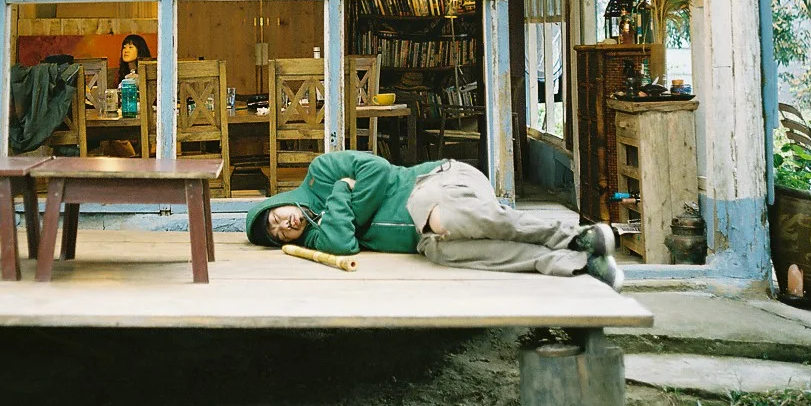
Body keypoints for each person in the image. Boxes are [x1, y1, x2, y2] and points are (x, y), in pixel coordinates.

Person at [245, 150, 623, 290]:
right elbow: (343, 246)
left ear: (279, 202)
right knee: (444, 251)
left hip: (432, 183)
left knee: (438, 219)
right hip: (422, 236)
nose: (282, 226)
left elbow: (377, 170)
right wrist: (344, 195)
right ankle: (575, 263)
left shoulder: (321, 172)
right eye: (276, 234)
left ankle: (574, 235)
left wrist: (340, 211)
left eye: (274, 217)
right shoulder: (314, 240)